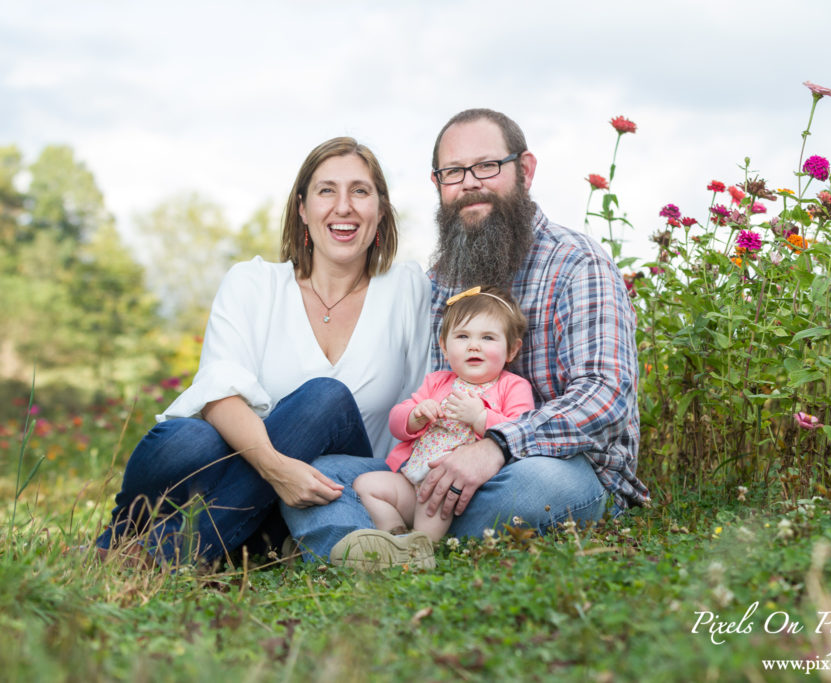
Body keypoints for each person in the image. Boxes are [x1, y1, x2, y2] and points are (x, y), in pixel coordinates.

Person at [283, 109, 649, 566]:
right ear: (438, 183)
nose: (469, 182)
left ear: (525, 170)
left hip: (560, 472)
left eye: (487, 166)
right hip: (437, 471)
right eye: (453, 172)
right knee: (323, 473)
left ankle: (386, 539)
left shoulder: (578, 264)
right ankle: (379, 548)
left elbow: (605, 396)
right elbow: (427, 393)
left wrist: (497, 446)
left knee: (535, 487)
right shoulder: (441, 282)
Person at [95, 137, 430, 566]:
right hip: (266, 489)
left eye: (360, 191)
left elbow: (426, 402)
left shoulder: (406, 290)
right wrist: (277, 469)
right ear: (302, 209)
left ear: (380, 211)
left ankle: (157, 555)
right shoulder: (253, 283)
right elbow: (217, 394)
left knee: (325, 398)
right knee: (188, 439)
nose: (343, 206)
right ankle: (131, 533)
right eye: (327, 190)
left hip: (335, 488)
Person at [333, 287, 533, 569]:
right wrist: (416, 414)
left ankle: (419, 551)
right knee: (367, 485)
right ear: (444, 345)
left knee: (435, 500)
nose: (473, 346)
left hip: (451, 488)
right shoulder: (437, 382)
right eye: (462, 337)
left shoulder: (511, 386)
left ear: (511, 349)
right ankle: (395, 537)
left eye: (487, 338)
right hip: (410, 480)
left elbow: (521, 431)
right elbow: (396, 423)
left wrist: (480, 418)